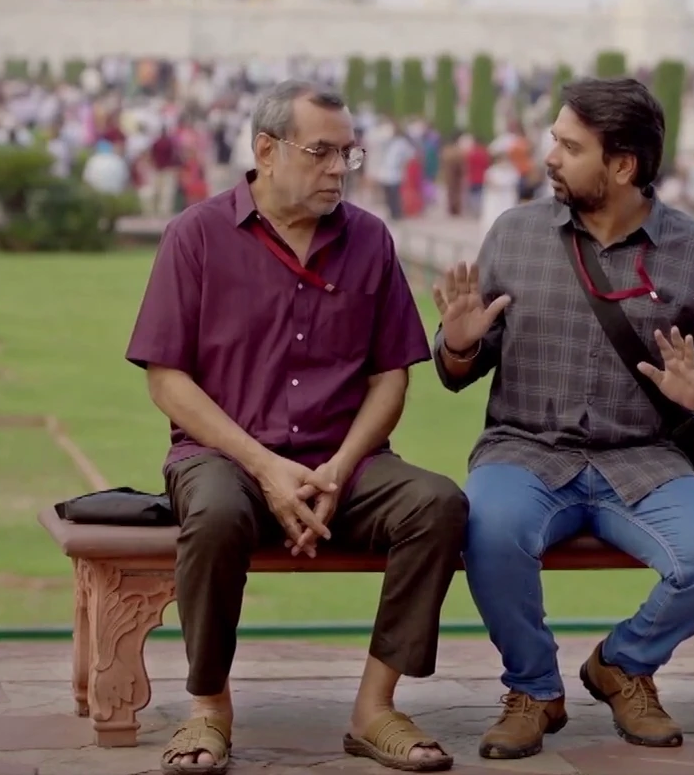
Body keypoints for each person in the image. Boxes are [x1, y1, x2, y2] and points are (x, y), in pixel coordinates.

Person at [127, 81, 470, 774]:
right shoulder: (196, 235)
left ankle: (375, 708)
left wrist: (338, 468)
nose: (340, 169)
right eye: (321, 152)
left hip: (347, 462)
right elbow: (167, 380)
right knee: (217, 515)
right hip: (222, 456)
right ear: (266, 150)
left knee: (437, 505)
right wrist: (264, 466)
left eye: (349, 153)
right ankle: (209, 708)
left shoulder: (368, 239)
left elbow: (391, 377)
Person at [431, 77, 694, 761]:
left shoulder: (692, 250)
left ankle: (623, 664)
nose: (549, 156)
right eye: (554, 139)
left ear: (622, 165)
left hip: (643, 457)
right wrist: (461, 343)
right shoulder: (516, 234)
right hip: (525, 450)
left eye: (569, 146)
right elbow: (460, 366)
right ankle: (533, 689)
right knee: (486, 527)